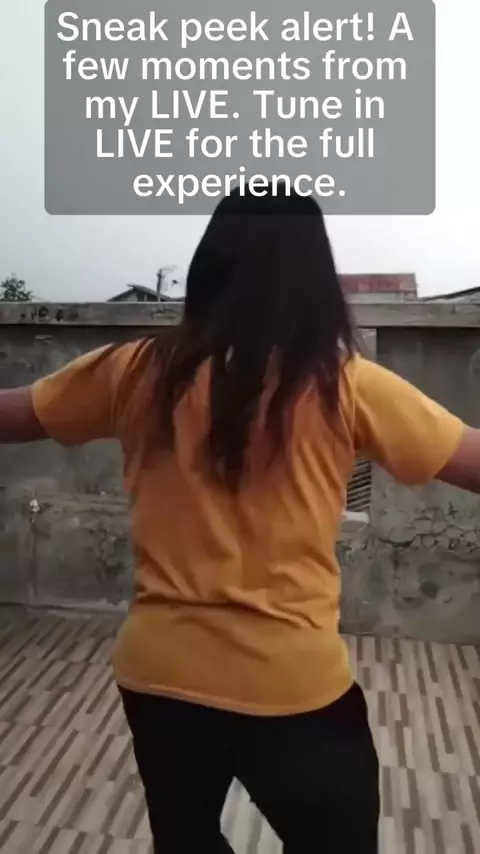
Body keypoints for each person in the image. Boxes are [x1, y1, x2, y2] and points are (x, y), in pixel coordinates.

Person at [0, 186, 478, 854]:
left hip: (158, 675)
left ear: (210, 266)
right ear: (314, 279)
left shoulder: (134, 371)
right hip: (291, 686)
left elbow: (12, 414)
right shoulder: (344, 384)